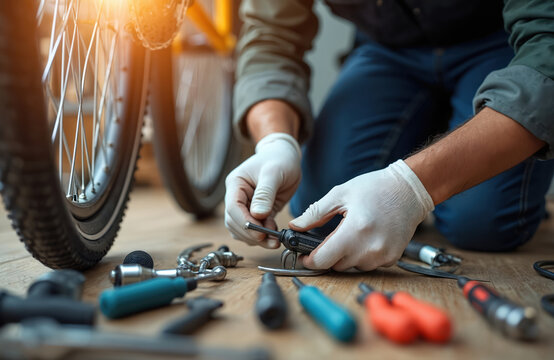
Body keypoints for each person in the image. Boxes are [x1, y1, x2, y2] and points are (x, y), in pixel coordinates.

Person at [224, 0, 554, 272]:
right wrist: (274, 143)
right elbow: (270, 37)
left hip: (500, 44)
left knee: (483, 223)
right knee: (323, 213)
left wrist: (409, 188)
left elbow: (548, 56)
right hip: (389, 52)